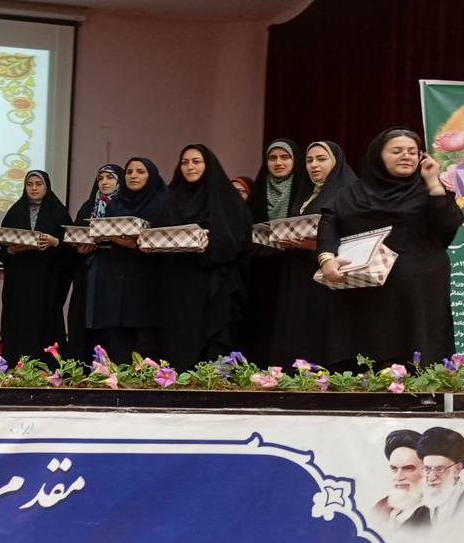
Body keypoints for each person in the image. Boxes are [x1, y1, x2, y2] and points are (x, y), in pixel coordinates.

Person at [317, 128, 464, 368]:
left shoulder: (429, 190)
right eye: (397, 151)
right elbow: (329, 222)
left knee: (419, 359)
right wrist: (326, 258)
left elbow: (449, 224)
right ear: (378, 156)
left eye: (412, 152)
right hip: (367, 289)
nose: (406, 156)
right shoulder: (352, 193)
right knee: (367, 358)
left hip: (419, 289)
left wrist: (433, 183)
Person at [147, 144, 251, 370]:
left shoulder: (226, 200)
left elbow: (237, 239)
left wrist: (208, 243)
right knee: (176, 343)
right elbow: (157, 234)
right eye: (185, 162)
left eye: (196, 161)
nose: (190, 167)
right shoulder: (170, 199)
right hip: (176, 285)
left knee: (211, 343)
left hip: (212, 284)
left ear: (208, 165)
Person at [269, 141, 357, 363]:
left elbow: (356, 237)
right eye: (309, 160)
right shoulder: (308, 192)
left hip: (330, 278)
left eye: (321, 159)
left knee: (325, 336)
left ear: (336, 162)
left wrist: (316, 246)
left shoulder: (350, 191)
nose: (314, 165)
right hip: (301, 273)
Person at [92, 157, 168, 360]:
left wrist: (135, 244)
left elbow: (169, 243)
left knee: (147, 350)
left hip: (148, 284)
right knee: (118, 349)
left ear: (151, 176)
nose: (133, 176)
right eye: (129, 172)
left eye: (140, 172)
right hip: (116, 284)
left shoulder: (164, 203)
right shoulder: (116, 204)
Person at [242, 139, 310, 363]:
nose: (278, 163)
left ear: (295, 161)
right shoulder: (258, 192)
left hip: (295, 267)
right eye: (272, 158)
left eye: (285, 157)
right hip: (261, 271)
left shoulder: (305, 191)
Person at [0, 170, 73, 364]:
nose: (33, 188)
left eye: (38, 184)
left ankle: (47, 364)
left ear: (47, 187)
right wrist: (12, 250)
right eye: (29, 184)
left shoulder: (59, 213)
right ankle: (15, 363)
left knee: (46, 319)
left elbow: (70, 248)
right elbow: (3, 251)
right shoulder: (15, 211)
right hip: (20, 280)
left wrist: (55, 242)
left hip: (47, 280)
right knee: (17, 318)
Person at [66, 164, 122, 361]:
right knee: (85, 319)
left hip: (114, 274)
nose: (104, 182)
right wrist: (79, 250)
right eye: (100, 178)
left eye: (110, 178)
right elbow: (75, 236)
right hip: (89, 272)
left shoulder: (125, 206)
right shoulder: (88, 206)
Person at [370, 429, 429, 531]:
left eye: (408, 468)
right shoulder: (381, 507)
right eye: (394, 469)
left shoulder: (435, 512)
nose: (398, 476)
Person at [416, 426, 464, 526]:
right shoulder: (419, 514)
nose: (431, 478)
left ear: (457, 469)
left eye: (439, 469)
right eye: (427, 469)